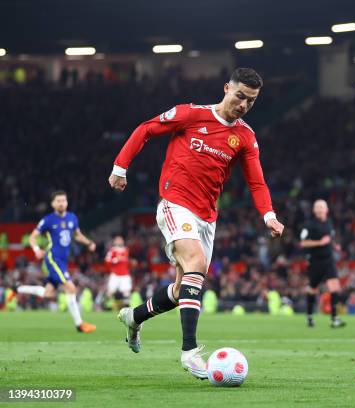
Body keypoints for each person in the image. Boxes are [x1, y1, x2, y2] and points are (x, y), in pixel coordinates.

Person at [108, 68, 284, 380]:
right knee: (196, 263)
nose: (243, 104)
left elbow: (256, 183)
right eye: (240, 95)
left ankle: (134, 317)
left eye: (251, 101)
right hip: (175, 202)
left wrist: (269, 215)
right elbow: (147, 128)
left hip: (207, 216)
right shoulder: (191, 115)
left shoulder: (245, 136)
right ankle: (190, 352)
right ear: (227, 88)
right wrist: (120, 168)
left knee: (182, 289)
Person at [17, 190, 97, 333]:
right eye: (58, 201)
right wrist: (36, 249)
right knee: (71, 288)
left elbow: (77, 236)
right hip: (53, 259)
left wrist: (89, 242)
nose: (61, 203)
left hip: (63, 260)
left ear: (67, 202)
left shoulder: (72, 218)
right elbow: (32, 237)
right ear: (53, 204)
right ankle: (79, 324)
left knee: (48, 293)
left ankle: (17, 289)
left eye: (63, 200)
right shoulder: (48, 220)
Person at [299, 199, 346, 328]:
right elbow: (303, 243)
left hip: (328, 260)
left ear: (326, 209)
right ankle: (309, 316)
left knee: (335, 287)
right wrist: (320, 242)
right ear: (314, 210)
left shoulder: (329, 223)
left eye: (322, 207)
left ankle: (334, 318)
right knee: (312, 289)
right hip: (315, 261)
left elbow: (329, 238)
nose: (320, 209)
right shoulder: (309, 225)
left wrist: (334, 246)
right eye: (317, 207)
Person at [105, 235, 132, 309]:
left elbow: (126, 262)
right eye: (118, 240)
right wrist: (115, 260)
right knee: (111, 291)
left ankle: (127, 306)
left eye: (121, 240)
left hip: (125, 274)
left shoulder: (126, 250)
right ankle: (106, 305)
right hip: (115, 274)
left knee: (126, 290)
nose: (120, 241)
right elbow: (107, 261)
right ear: (115, 242)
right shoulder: (112, 250)